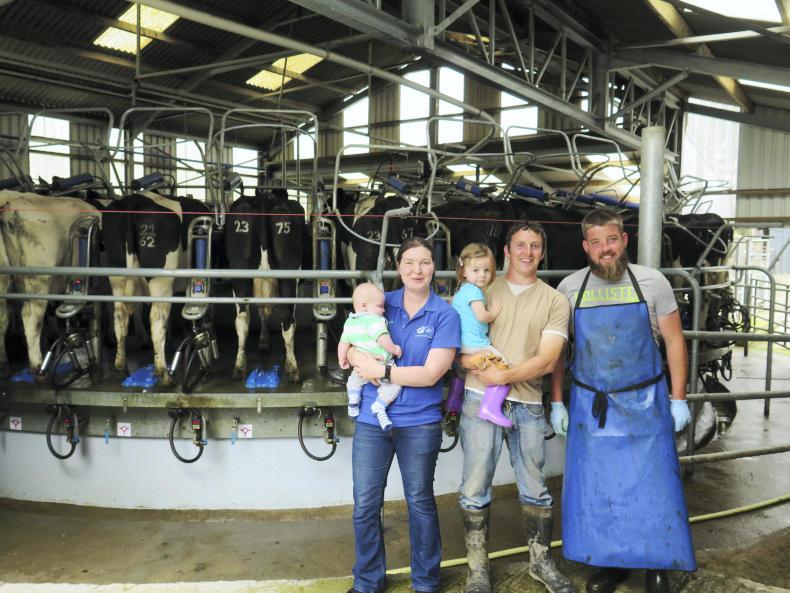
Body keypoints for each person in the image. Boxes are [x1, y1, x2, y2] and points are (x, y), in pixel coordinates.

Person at [549, 209, 695, 593]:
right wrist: (558, 401)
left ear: (624, 240)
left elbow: (675, 342)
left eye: (611, 240)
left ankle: (659, 564)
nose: (605, 249)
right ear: (585, 247)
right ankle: (608, 563)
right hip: (592, 408)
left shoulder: (653, 282)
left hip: (646, 404)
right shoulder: (569, 288)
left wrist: (678, 398)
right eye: (596, 242)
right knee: (600, 489)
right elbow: (560, 352)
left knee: (655, 488)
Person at [458, 222, 575, 593]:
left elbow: (547, 360)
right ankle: (477, 570)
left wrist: (501, 377)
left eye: (535, 246)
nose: (528, 252)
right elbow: (458, 350)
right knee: (475, 486)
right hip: (479, 400)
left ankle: (541, 562)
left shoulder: (555, 301)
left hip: (527, 404)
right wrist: (473, 366)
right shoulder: (480, 290)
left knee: (535, 486)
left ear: (543, 253)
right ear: (506, 252)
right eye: (520, 245)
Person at [345, 236, 461, 593]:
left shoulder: (445, 315)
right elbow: (350, 343)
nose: (417, 269)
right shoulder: (381, 304)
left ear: (434, 268)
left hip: (419, 423)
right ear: (398, 268)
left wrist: (381, 373)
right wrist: (357, 359)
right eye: (409, 262)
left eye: (424, 262)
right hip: (371, 421)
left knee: (420, 502)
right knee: (365, 504)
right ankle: (367, 581)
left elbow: (430, 374)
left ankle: (425, 582)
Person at [450, 243, 511, 427]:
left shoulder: (461, 291)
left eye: (487, 270)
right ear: (464, 271)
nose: (482, 275)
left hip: (465, 343)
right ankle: (490, 408)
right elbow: (481, 316)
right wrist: (493, 312)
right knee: (504, 370)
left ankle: (454, 400)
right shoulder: (474, 292)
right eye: (476, 270)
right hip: (476, 344)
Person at [338, 282, 403, 430]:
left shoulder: (349, 322)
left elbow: (343, 343)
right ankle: (379, 406)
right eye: (380, 306)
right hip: (382, 363)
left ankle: (353, 400)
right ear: (364, 306)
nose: (383, 309)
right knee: (394, 385)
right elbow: (383, 339)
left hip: (361, 367)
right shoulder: (374, 321)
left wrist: (342, 359)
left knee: (354, 381)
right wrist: (395, 349)